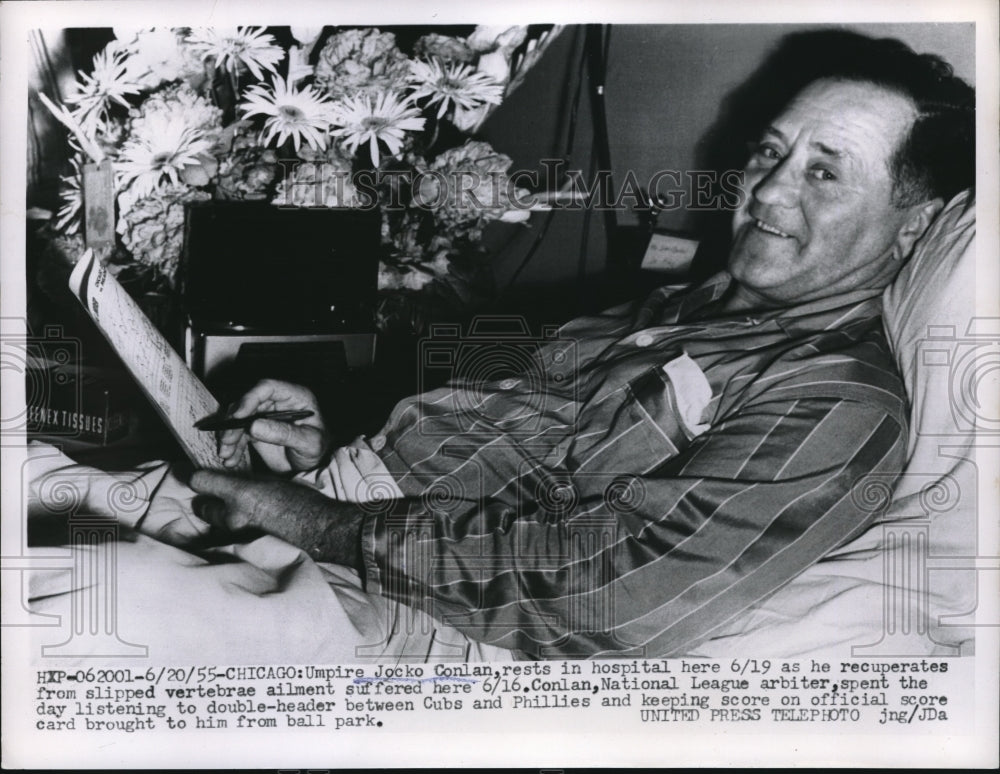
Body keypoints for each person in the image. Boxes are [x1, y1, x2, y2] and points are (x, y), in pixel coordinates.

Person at [188, 36, 975, 659]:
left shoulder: (835, 399)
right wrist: (331, 445)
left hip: (412, 615)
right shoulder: (680, 304)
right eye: (770, 153)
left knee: (89, 607)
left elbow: (615, 598)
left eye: (824, 174)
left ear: (914, 227)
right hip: (349, 522)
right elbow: (516, 456)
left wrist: (326, 524)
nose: (767, 191)